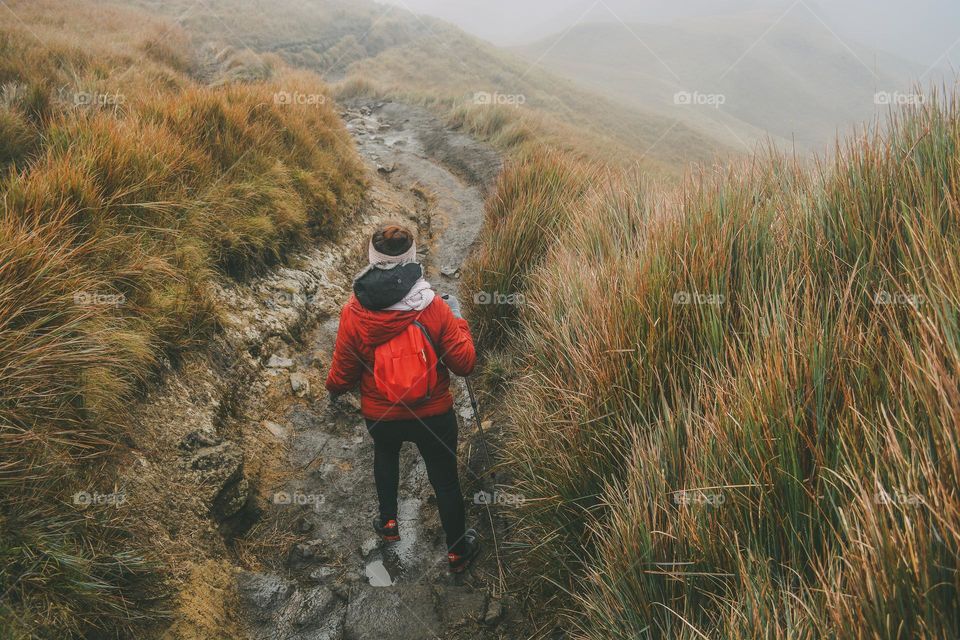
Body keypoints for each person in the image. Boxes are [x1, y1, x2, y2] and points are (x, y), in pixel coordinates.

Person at [325, 223, 480, 573]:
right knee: (445, 480)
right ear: (411, 257)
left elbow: (344, 370)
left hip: (382, 416)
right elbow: (465, 364)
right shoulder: (433, 306)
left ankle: (389, 524)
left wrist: (333, 389)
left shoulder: (354, 312)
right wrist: (459, 320)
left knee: (385, 454)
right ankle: (457, 551)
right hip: (434, 415)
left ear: (372, 257)